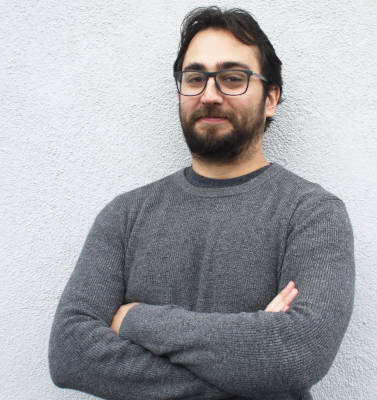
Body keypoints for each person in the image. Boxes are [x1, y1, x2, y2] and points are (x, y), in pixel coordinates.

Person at [48, 6, 355, 400]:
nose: (209, 95)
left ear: (271, 99)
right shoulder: (124, 215)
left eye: (232, 78)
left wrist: (135, 319)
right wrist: (250, 367)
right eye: (195, 78)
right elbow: (71, 354)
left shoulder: (312, 213)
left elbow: (298, 352)